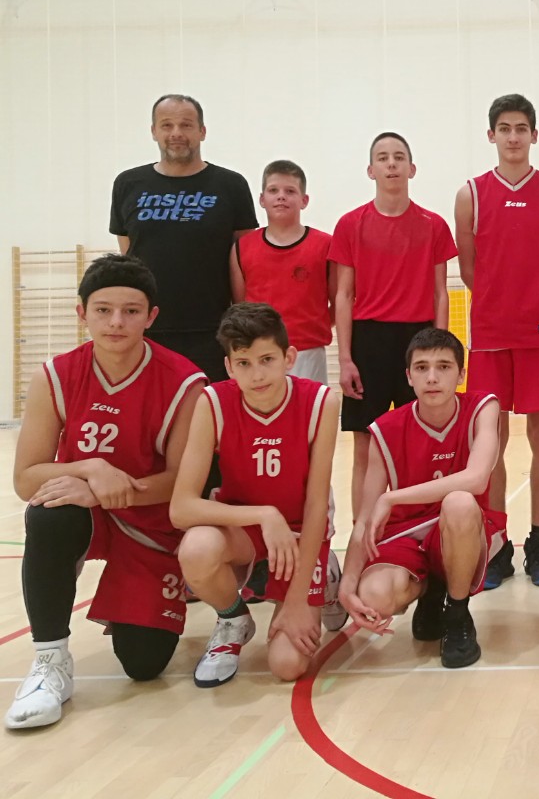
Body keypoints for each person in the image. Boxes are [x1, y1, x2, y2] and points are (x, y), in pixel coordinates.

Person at [6, 255, 204, 729]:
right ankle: (50, 661)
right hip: (83, 509)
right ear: (82, 313)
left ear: (151, 316)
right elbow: (26, 478)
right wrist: (92, 469)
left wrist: (109, 492)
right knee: (48, 510)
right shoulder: (54, 375)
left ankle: (147, 595)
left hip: (151, 520)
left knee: (143, 664)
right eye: (103, 310)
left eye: (131, 311)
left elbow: (183, 481)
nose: (116, 322)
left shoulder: (185, 381)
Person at [170, 303, 341, 687]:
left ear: (289, 358)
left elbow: (317, 504)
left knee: (286, 665)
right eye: (244, 363)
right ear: (229, 367)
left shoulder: (321, 402)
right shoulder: (212, 402)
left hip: (301, 531)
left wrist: (295, 602)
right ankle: (233, 620)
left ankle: (324, 574)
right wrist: (264, 515)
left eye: (267, 360)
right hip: (246, 528)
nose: (257, 374)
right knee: (196, 549)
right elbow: (181, 508)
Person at [455, 94, 539, 590]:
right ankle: (498, 542)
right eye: (504, 128)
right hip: (489, 336)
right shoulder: (471, 194)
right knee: (493, 439)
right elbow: (468, 269)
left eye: (521, 128)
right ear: (491, 135)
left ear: (534, 135)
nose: (512, 136)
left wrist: (535, 307)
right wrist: (499, 304)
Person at [338, 328, 503, 669]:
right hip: (408, 536)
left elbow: (476, 478)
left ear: (461, 374)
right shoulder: (385, 429)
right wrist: (347, 585)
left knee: (459, 502)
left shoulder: (482, 408)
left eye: (443, 367)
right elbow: (366, 519)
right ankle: (431, 590)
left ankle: (457, 613)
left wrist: (392, 498)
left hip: (462, 528)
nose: (432, 377)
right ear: (408, 376)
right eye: (422, 367)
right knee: (375, 596)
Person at [331, 132, 458, 515]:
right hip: (368, 341)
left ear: (412, 168)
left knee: (418, 444)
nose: (391, 164)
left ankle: (415, 530)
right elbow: (343, 295)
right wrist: (346, 359)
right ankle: (362, 534)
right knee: (365, 446)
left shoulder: (434, 225)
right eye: (383, 158)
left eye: (399, 157)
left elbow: (440, 293)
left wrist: (440, 352)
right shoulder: (350, 224)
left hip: (418, 340)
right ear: (371, 170)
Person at [110, 94, 258, 381]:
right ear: (153, 131)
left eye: (186, 125)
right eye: (166, 125)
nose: (176, 133)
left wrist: (242, 324)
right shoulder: (128, 184)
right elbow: (130, 258)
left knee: (209, 408)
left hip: (213, 331)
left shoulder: (231, 185)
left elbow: (244, 261)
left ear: (202, 131)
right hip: (146, 329)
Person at [230, 159, 335, 384]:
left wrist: (313, 327)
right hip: (258, 353)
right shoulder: (242, 247)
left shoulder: (325, 245)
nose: (281, 197)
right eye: (273, 190)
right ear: (262, 199)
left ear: (304, 200)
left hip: (309, 353)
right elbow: (240, 306)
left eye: (290, 191)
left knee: (310, 408)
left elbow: (340, 301)